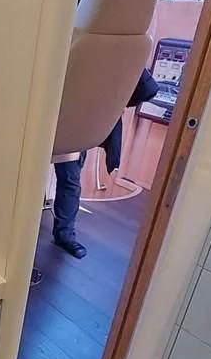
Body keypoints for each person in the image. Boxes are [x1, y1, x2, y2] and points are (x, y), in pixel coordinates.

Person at [51, 68, 159, 260]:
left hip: (68, 119)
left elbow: (148, 89)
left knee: (65, 181)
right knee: (67, 182)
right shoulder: (122, 50)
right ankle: (61, 235)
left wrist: (111, 100)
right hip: (69, 119)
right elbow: (148, 90)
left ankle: (60, 235)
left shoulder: (121, 52)